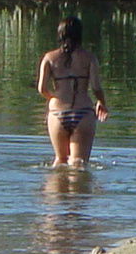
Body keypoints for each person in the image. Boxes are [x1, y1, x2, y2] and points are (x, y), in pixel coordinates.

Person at [35, 17, 107, 167]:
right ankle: (79, 190)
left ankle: (55, 190)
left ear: (60, 35)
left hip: (57, 114)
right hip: (83, 112)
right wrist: (102, 102)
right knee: (78, 164)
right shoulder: (89, 58)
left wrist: (54, 99)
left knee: (59, 161)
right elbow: (96, 87)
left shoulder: (49, 58)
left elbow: (41, 88)